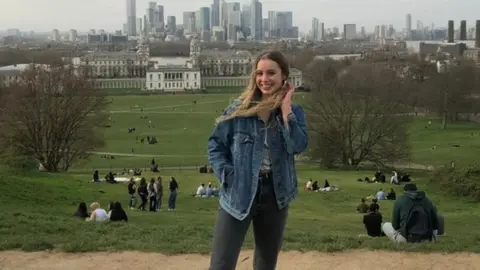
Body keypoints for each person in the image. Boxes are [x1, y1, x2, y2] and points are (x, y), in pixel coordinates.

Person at [207, 50, 308, 270]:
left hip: (275, 194)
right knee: (221, 264)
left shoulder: (294, 113)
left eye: (271, 73)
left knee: (265, 264)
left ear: (284, 76)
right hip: (239, 192)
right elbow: (215, 145)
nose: (264, 79)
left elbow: (297, 146)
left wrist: (286, 109)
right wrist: (228, 175)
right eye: (259, 73)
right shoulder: (239, 110)